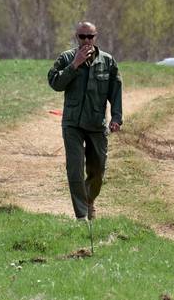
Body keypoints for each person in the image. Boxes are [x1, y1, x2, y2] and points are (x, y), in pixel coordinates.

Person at [47, 21, 122, 221]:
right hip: (72, 124)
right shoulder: (66, 58)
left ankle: (89, 200)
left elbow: (116, 91)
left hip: (96, 123)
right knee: (75, 169)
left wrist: (116, 117)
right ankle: (81, 215)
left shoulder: (108, 61)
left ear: (96, 37)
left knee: (98, 170)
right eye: (82, 37)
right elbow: (55, 83)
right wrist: (74, 65)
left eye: (90, 37)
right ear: (76, 37)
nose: (86, 41)